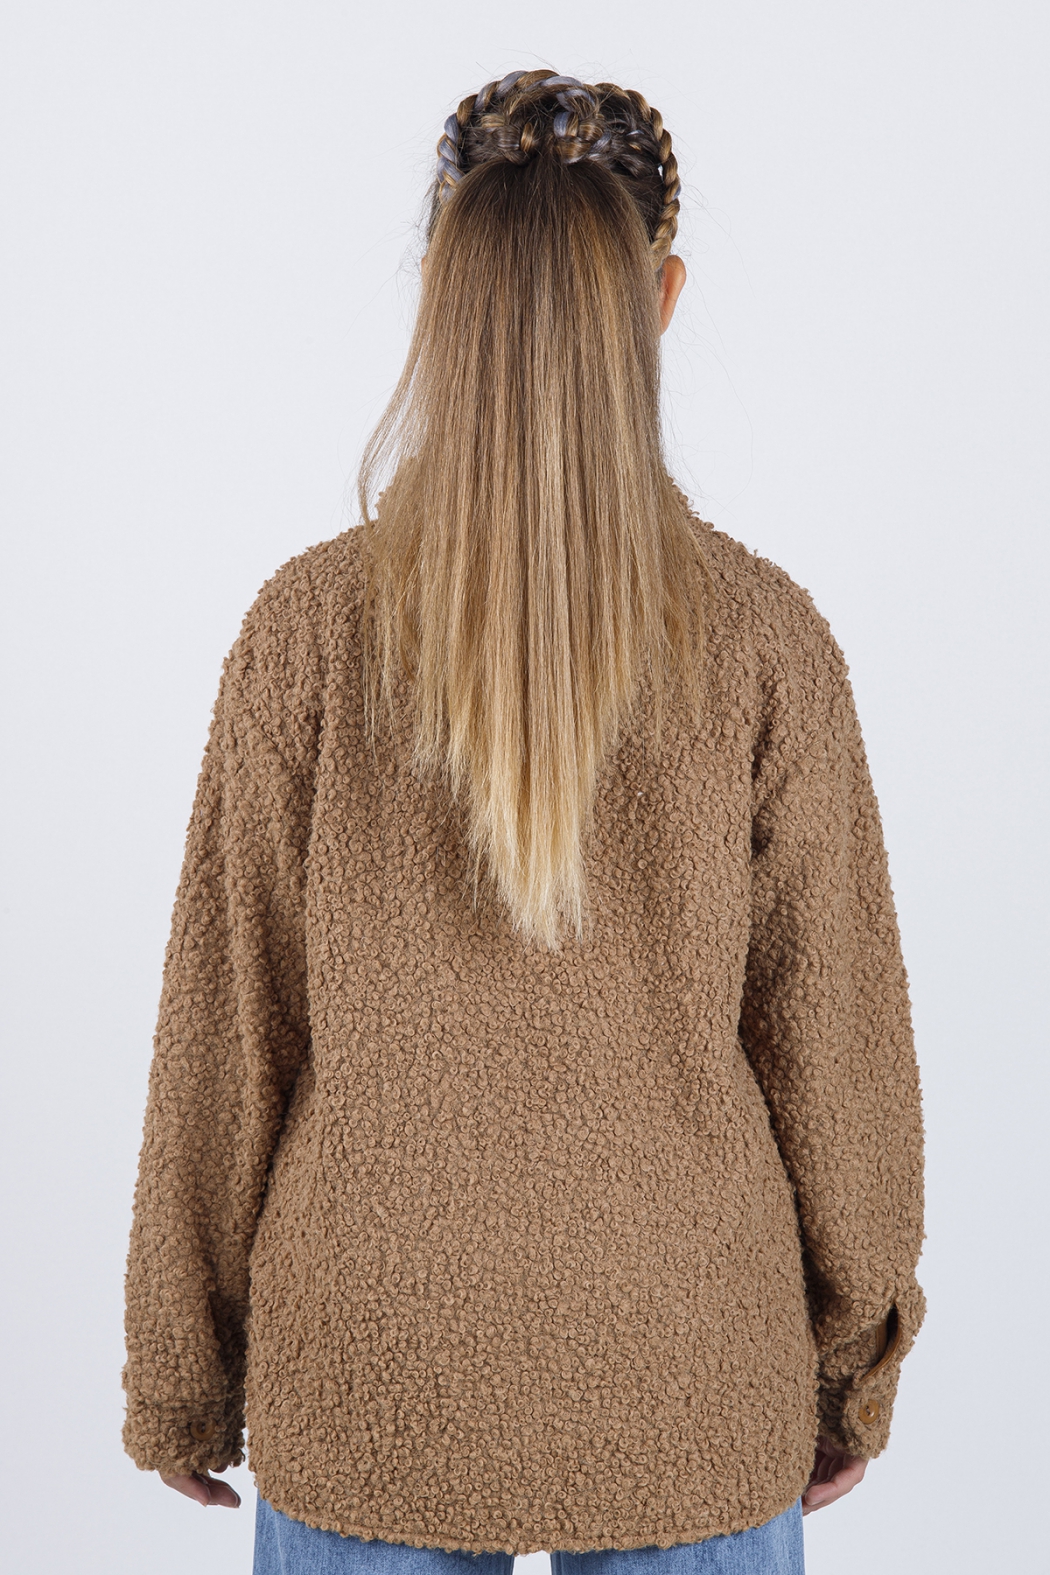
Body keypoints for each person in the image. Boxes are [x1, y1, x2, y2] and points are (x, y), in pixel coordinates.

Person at [121, 69, 926, 1575]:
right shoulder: (767, 641)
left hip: (370, 1367)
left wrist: (182, 1367)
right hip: (689, 1367)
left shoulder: (306, 632)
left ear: (439, 292)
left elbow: (226, 1032)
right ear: (662, 297)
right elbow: (838, 1049)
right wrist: (851, 1363)